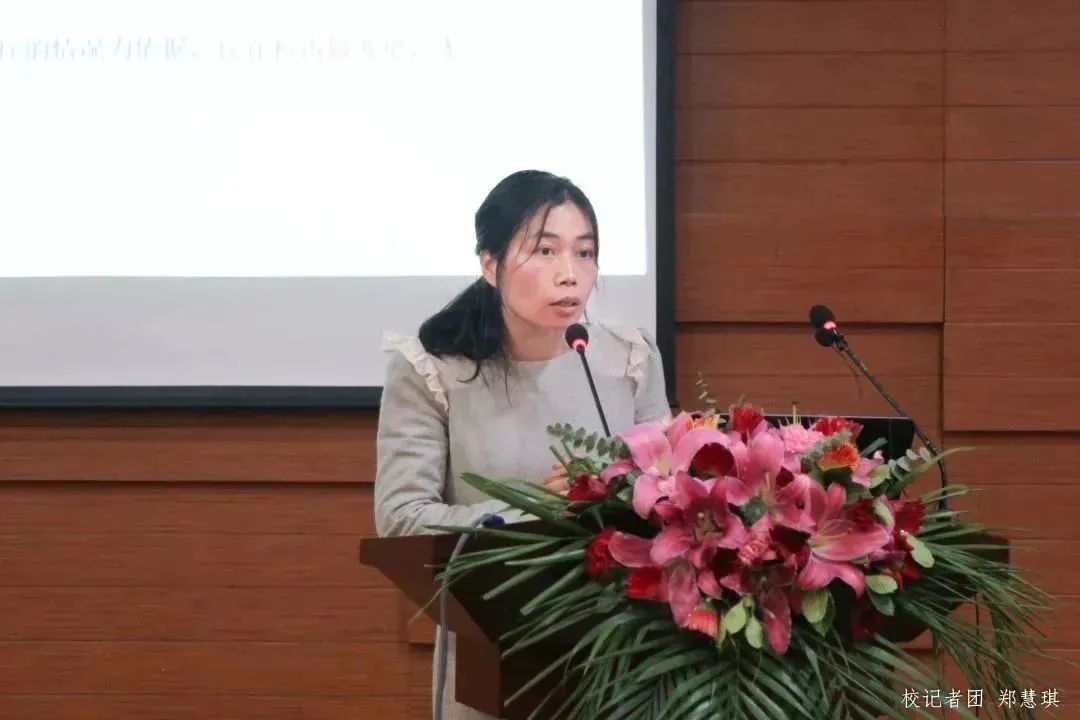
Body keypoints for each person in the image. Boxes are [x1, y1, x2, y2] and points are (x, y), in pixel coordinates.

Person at [373, 169, 671, 719]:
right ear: (490, 265)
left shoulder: (628, 357)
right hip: (495, 656)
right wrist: (535, 510)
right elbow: (401, 519)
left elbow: (668, 491)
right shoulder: (433, 370)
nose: (570, 274)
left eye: (585, 253)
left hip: (624, 657)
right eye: (545, 251)